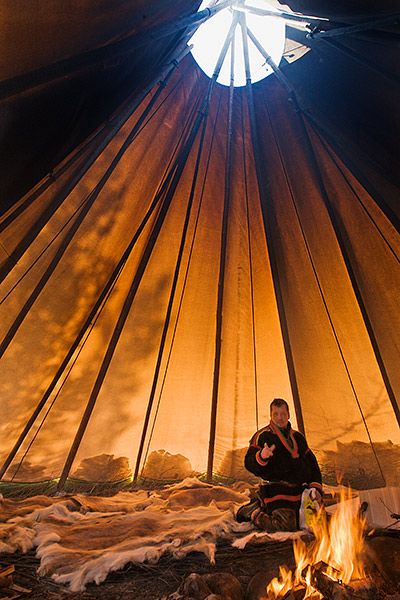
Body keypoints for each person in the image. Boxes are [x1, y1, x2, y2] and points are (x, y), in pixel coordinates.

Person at [236, 398, 323, 532]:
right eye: (276, 414)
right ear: (271, 415)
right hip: (275, 490)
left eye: (283, 414)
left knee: (316, 522)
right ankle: (253, 511)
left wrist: (315, 487)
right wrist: (261, 456)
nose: (280, 418)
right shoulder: (262, 436)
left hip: (300, 490)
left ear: (288, 415)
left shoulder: (298, 438)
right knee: (285, 526)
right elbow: (249, 463)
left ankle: (261, 506)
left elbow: (312, 464)